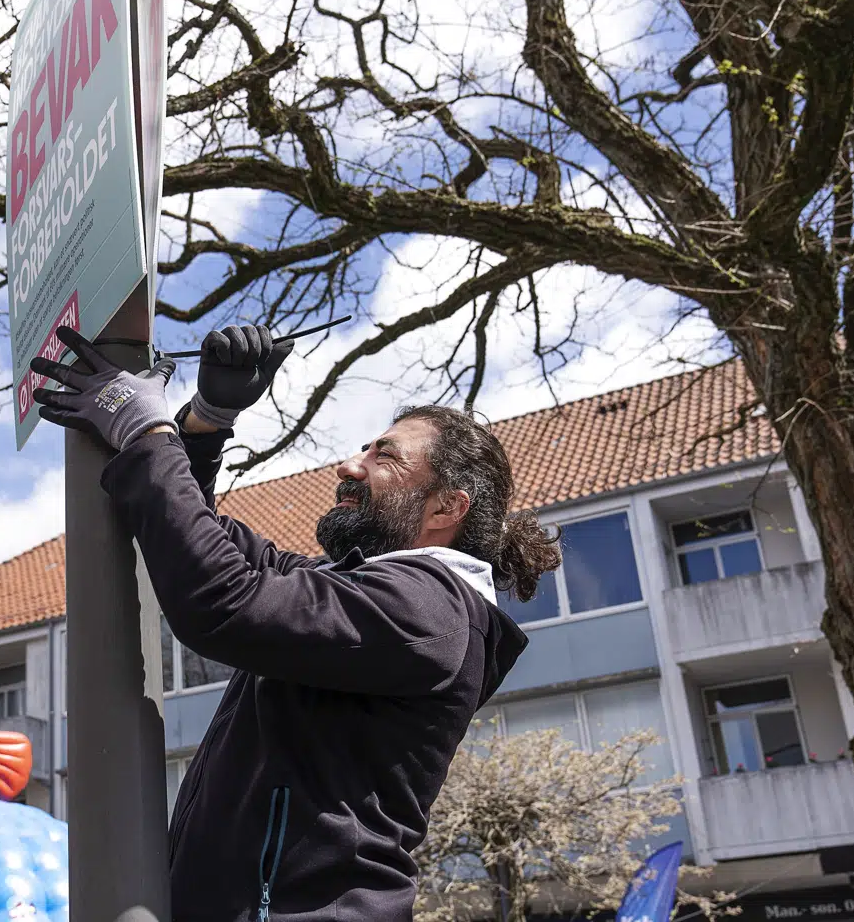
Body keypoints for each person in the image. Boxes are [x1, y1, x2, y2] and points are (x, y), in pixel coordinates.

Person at [30, 323, 562, 922]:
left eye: (384, 455)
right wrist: (205, 422)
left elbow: (221, 600)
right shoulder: (365, 591)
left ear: (447, 507)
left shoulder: (428, 607)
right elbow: (198, 543)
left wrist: (147, 431)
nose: (349, 466)